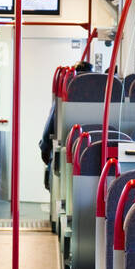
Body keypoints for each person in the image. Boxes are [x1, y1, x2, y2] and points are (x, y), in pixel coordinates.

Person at [39, 60, 93, 191]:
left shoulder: (65, 97)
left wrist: (45, 151)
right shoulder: (105, 97)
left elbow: (48, 132)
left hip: (66, 163)